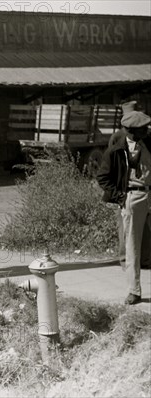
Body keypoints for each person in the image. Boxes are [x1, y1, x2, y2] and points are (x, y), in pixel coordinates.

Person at [97, 110, 151, 305]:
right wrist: (120, 196)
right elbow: (102, 177)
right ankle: (134, 290)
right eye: (143, 128)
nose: (147, 130)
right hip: (133, 197)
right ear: (130, 131)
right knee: (132, 246)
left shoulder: (149, 143)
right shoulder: (116, 150)